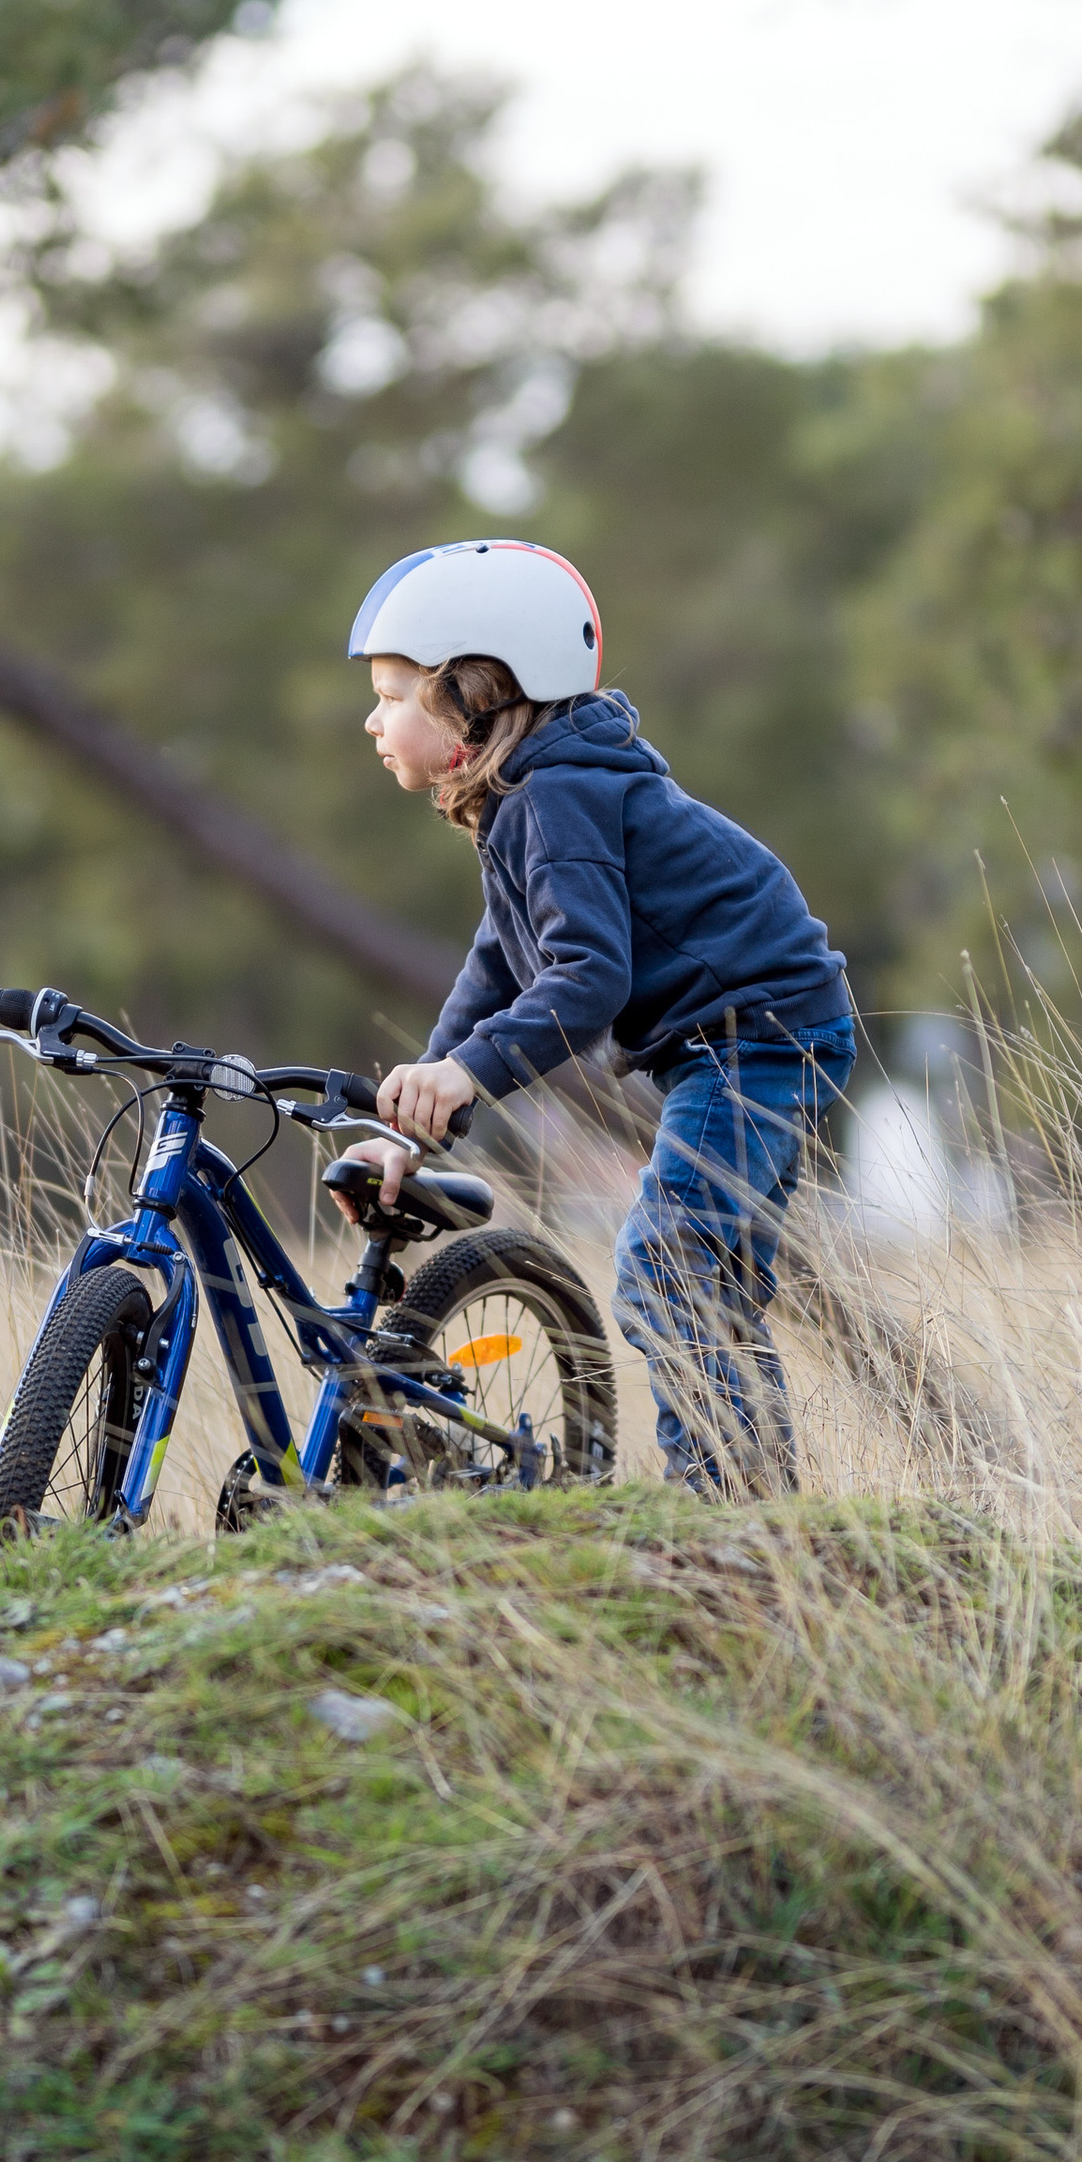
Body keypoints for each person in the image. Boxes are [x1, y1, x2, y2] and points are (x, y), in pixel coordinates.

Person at [346, 537, 855, 1498]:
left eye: (389, 693)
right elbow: (497, 964)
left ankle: (725, 1514)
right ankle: (757, 1513)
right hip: (744, 1040)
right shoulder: (520, 798)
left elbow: (587, 981)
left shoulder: (559, 793)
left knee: (668, 1268)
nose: (371, 720)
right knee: (709, 1284)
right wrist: (415, 1119)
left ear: (471, 693)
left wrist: (466, 1076)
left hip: (762, 1036)